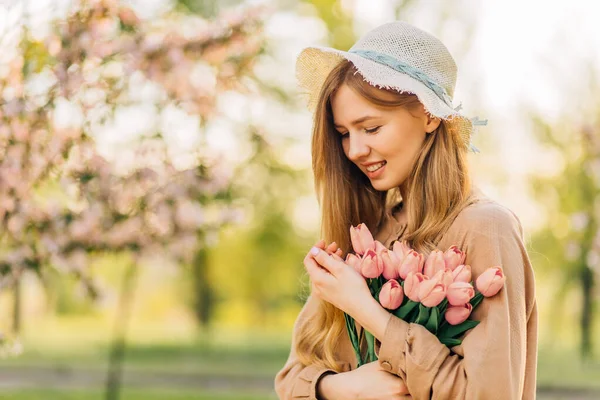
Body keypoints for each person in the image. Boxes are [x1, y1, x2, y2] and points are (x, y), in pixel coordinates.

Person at [274, 21, 538, 400]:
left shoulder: (482, 228)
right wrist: (341, 387)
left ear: (429, 116)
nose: (353, 150)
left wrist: (369, 312)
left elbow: (491, 393)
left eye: (371, 127)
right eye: (344, 133)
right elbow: (290, 379)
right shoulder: (366, 234)